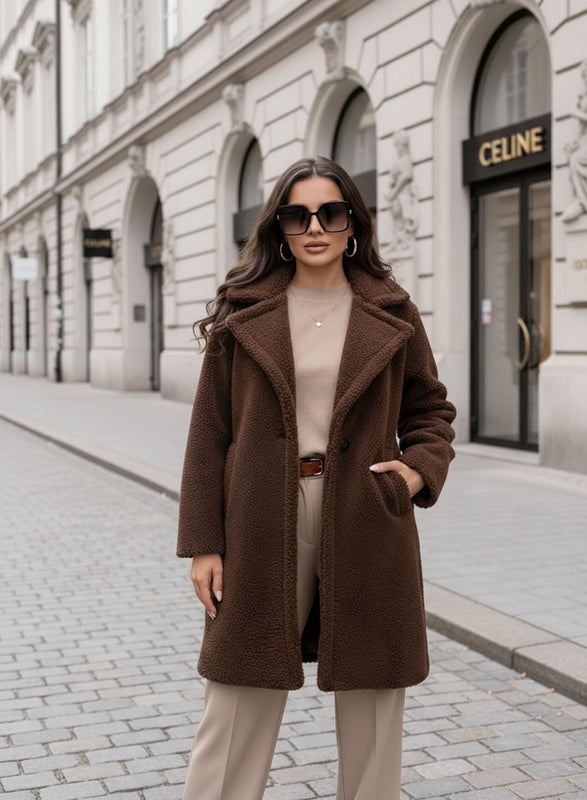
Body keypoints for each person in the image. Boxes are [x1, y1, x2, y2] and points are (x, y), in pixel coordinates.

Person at [176, 155, 456, 800]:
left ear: (352, 223)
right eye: (297, 215)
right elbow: (208, 434)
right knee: (238, 691)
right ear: (279, 228)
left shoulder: (391, 309)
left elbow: (430, 410)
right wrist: (204, 544)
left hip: (366, 509)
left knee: (373, 695)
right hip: (262, 513)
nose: (315, 227)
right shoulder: (244, 311)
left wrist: (415, 475)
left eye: (331, 212)